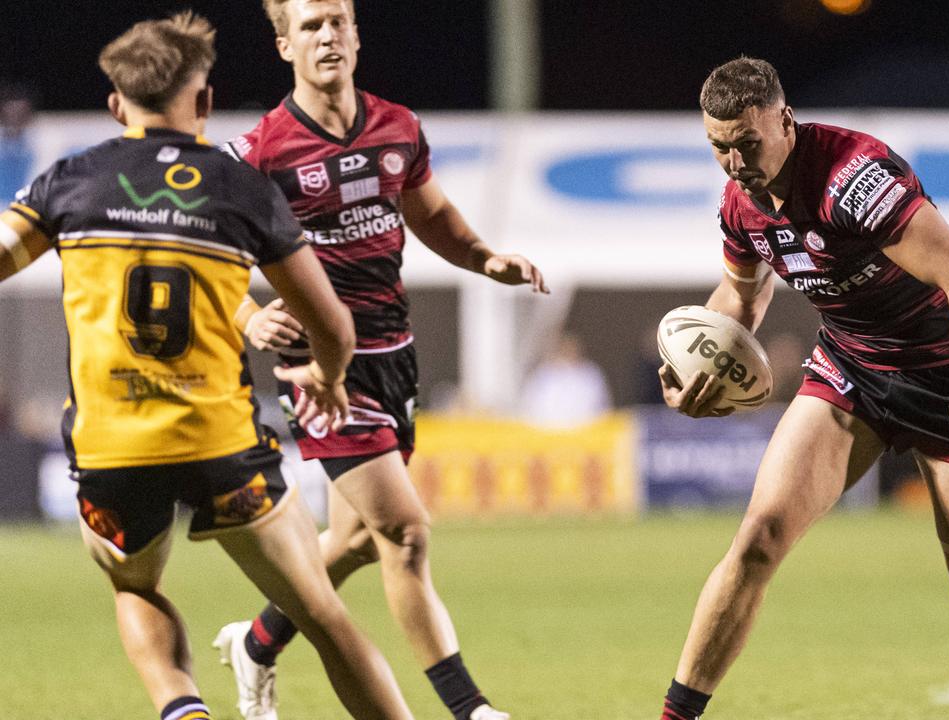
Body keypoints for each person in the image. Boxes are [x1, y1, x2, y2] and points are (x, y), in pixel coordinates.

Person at [654, 58, 949, 720]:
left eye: (747, 143)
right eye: (720, 148)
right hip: (851, 372)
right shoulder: (740, 203)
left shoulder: (852, 181)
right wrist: (702, 363)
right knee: (758, 539)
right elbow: (740, 295)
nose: (736, 162)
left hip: (948, 384)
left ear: (785, 121)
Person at [0, 13, 419, 720]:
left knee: (135, 587)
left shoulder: (69, 182)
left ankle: (183, 708)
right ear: (204, 101)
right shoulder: (241, 187)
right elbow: (332, 326)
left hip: (113, 448)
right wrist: (330, 373)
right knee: (321, 615)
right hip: (222, 444)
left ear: (116, 104)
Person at [214, 2, 547, 719]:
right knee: (405, 531)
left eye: (338, 21)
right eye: (310, 26)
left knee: (361, 540)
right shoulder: (262, 150)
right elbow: (209, 254)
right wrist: (249, 315)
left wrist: (487, 259)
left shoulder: (399, 126)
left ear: (358, 35)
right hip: (320, 370)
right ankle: (470, 707)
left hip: (395, 356)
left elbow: (431, 217)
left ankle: (258, 642)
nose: (328, 35)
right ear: (283, 45)